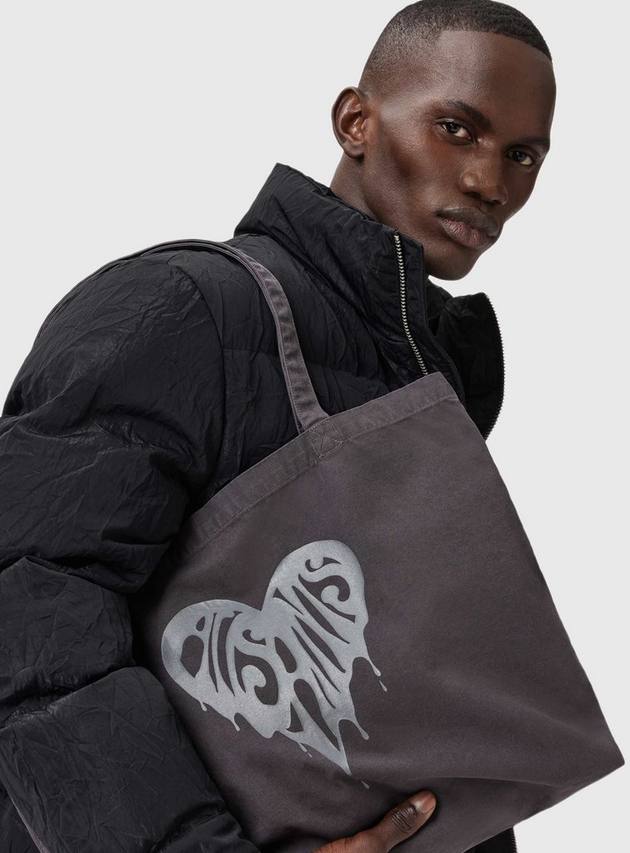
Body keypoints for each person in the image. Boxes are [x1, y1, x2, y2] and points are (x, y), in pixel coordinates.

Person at [0, 1, 555, 851]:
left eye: (523, 155)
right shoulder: (186, 307)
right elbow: (25, 614)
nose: (491, 183)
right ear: (355, 121)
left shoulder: (429, 368)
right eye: (456, 129)